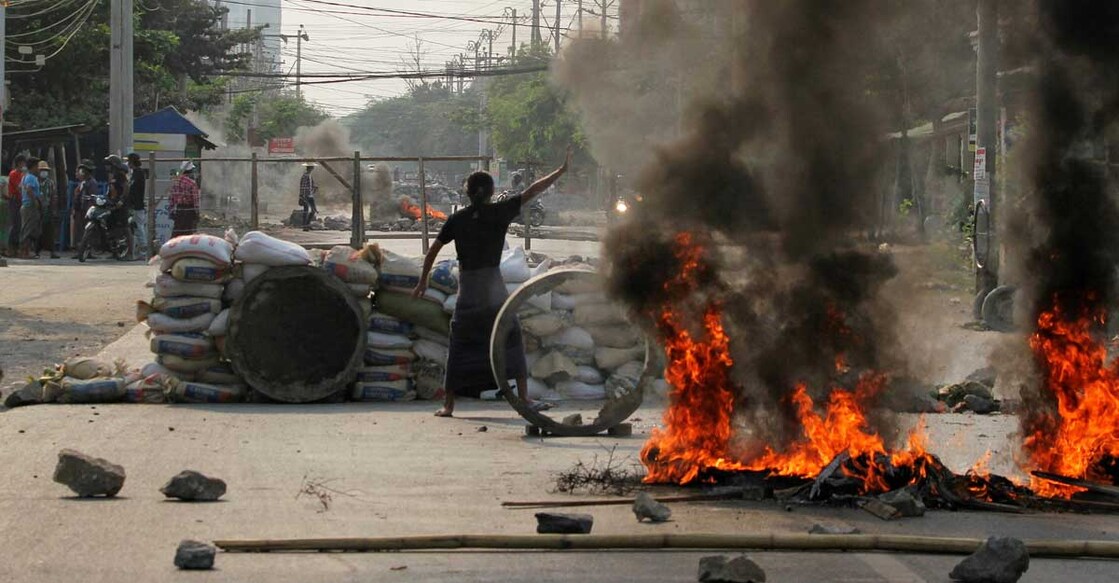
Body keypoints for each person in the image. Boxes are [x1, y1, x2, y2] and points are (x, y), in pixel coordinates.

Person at [414, 147, 572, 418]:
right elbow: (532, 190)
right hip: (494, 289)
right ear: (490, 191)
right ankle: (524, 397)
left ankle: (448, 405)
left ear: (467, 192)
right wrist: (559, 172)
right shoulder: (499, 212)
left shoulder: (457, 219)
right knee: (510, 337)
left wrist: (422, 282)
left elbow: (432, 251)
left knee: (460, 345)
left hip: (468, 291)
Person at [72, 160, 98, 256]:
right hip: (80, 209)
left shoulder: (91, 183)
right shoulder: (82, 183)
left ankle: (88, 251)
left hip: (87, 210)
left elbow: (92, 197)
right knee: (80, 231)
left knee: (87, 231)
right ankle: (80, 250)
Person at [19, 157, 43, 258]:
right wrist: (35, 201)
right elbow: (29, 189)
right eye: (37, 166)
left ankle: (25, 251)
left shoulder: (25, 177)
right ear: (33, 167)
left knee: (27, 228)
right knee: (28, 229)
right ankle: (25, 252)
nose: (39, 169)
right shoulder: (31, 177)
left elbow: (20, 188)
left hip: (26, 204)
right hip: (30, 205)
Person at [169, 161, 200, 237]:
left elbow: (172, 197)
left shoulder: (176, 181)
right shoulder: (192, 183)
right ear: (190, 171)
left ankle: (174, 246)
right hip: (189, 209)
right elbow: (195, 200)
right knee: (188, 231)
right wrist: (197, 212)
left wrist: (171, 210)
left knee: (177, 230)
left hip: (179, 208)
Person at [126, 153, 148, 259]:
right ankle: (137, 250)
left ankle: (144, 251)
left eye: (129, 161)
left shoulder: (138, 173)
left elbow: (134, 190)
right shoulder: (135, 173)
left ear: (132, 162)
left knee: (139, 228)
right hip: (134, 205)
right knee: (135, 228)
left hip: (137, 205)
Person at [36, 161, 60, 259]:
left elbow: (54, 196)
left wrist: (53, 209)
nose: (44, 172)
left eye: (45, 170)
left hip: (47, 209)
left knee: (50, 231)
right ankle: (36, 251)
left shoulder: (50, 183)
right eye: (42, 170)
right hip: (37, 208)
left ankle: (52, 252)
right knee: (37, 231)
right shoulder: (35, 181)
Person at [5, 154, 26, 256]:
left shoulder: (22, 174)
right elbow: (19, 187)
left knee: (20, 225)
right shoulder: (13, 174)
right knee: (14, 224)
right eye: (22, 163)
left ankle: (16, 248)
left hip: (21, 200)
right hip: (14, 200)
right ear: (19, 163)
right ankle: (10, 248)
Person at [299, 162, 318, 230]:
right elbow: (303, 187)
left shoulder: (309, 176)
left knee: (313, 210)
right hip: (306, 195)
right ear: (310, 168)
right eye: (312, 167)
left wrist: (314, 188)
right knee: (306, 210)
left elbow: (309, 185)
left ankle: (307, 224)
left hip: (310, 195)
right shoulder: (305, 176)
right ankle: (305, 225)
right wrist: (302, 196)